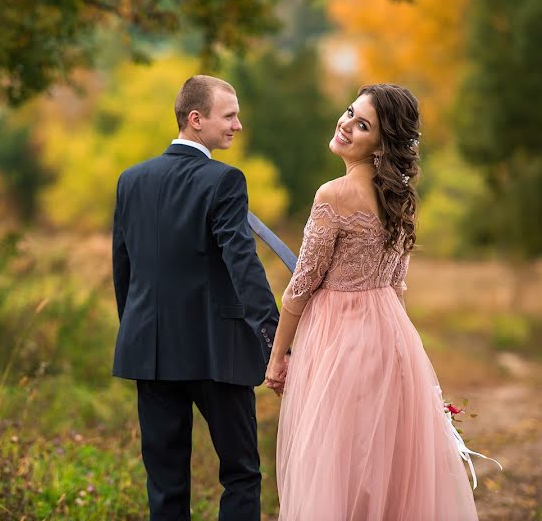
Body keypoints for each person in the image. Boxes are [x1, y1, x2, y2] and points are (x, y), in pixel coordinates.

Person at [265, 84, 481, 520]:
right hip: (390, 337)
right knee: (381, 461)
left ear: (382, 144)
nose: (346, 124)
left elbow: (301, 287)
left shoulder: (333, 195)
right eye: (350, 112)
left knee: (335, 464)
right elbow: (397, 286)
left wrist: (277, 358)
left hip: (337, 342)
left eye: (362, 125)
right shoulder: (401, 200)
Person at [112, 75, 279, 521]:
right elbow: (243, 264)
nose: (237, 126)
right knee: (241, 472)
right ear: (196, 119)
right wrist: (274, 335)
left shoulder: (131, 180)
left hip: (151, 350)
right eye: (229, 116)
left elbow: (123, 271)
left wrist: (138, 328)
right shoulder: (224, 181)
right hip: (215, 351)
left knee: (164, 483)